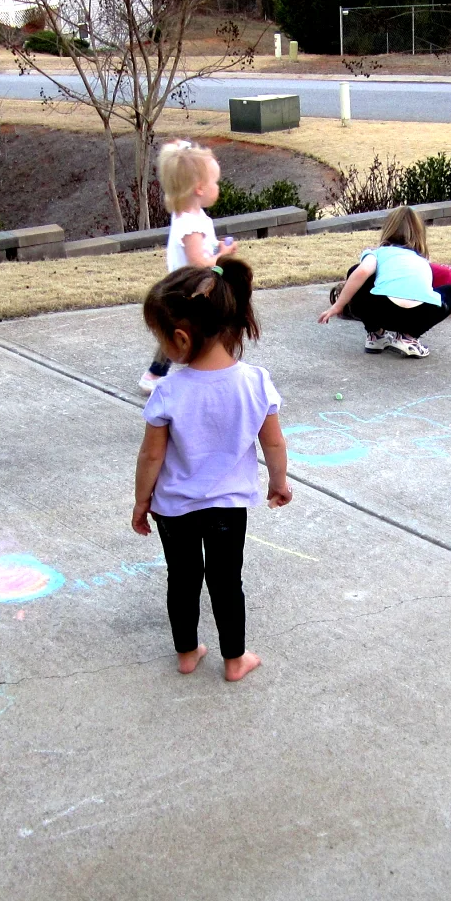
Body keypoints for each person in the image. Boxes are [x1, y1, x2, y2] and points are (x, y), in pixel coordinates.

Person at [132, 258, 292, 683]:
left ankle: (187, 653)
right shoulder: (255, 382)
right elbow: (274, 443)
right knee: (226, 581)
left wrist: (142, 501)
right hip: (227, 508)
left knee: (182, 579)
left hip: (174, 509)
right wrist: (278, 482)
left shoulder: (168, 391)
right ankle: (234, 660)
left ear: (181, 338)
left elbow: (151, 457)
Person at [139, 138, 237, 395]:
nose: (218, 187)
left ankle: (159, 373)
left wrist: (216, 247)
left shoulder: (192, 216)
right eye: (215, 182)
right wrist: (222, 256)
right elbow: (198, 263)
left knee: (183, 331)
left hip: (190, 287)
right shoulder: (189, 225)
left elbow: (203, 250)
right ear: (199, 188)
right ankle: (158, 374)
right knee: (189, 331)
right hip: (188, 290)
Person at [316, 205, 451, 357]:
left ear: (388, 229)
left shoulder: (378, 253)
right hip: (418, 315)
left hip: (383, 311)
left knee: (355, 271)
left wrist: (338, 306)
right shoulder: (423, 260)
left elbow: (361, 272)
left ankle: (376, 334)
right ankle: (408, 338)